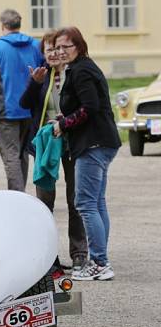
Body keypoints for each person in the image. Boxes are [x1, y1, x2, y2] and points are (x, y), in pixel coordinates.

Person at [49, 27, 122, 281]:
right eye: (57, 47)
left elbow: (89, 108)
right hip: (102, 141)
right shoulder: (82, 68)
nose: (60, 51)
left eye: (66, 46)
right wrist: (63, 118)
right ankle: (100, 260)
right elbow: (86, 105)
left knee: (85, 203)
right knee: (97, 202)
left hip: (93, 144)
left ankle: (100, 263)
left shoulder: (81, 70)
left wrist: (63, 124)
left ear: (79, 46)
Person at [19, 30, 87, 275]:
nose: (54, 54)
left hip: (72, 141)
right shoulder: (41, 76)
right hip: (46, 143)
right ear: (44, 54)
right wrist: (33, 84)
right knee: (44, 202)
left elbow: (84, 107)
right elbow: (24, 104)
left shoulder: (74, 74)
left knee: (75, 200)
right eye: (49, 50)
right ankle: (49, 258)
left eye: (57, 49)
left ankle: (79, 254)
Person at [0, 9, 44, 192]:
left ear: (2, 25)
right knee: (23, 154)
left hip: (6, 109)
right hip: (31, 109)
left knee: (10, 155)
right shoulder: (36, 46)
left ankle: (17, 194)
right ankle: (20, 192)